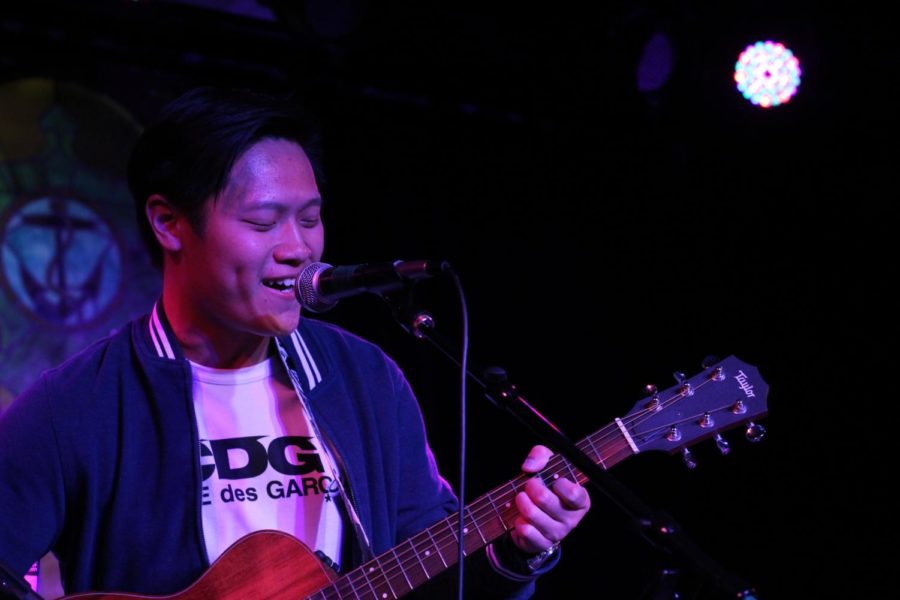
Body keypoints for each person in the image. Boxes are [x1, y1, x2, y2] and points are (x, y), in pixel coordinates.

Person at [0, 87, 590, 598]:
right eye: (263, 222)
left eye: (309, 219)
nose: (298, 248)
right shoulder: (80, 406)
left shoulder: (363, 379)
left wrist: (515, 551)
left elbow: (435, 576)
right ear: (168, 222)